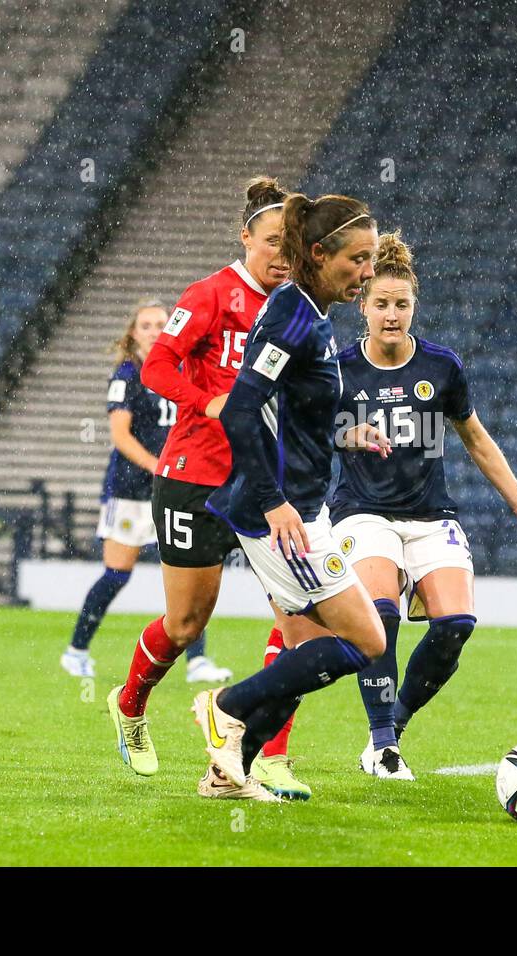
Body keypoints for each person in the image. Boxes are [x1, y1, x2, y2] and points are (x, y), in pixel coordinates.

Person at [330, 232, 517, 779]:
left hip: (430, 515)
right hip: (362, 512)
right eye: (382, 304)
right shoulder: (339, 370)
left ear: (415, 306)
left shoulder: (442, 367)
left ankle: (396, 723)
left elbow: (476, 439)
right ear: (362, 305)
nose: (392, 315)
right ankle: (384, 745)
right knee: (382, 614)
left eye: (402, 305)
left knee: (456, 624)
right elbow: (309, 435)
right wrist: (345, 436)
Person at [105, 177, 308, 802]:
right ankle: (131, 702)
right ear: (245, 238)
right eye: (272, 243)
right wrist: (209, 401)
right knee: (188, 624)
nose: (282, 257)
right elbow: (158, 364)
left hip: (265, 485)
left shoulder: (296, 307)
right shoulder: (212, 294)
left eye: (292, 247)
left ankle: (264, 759)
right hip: (194, 478)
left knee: (299, 622)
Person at [192, 192, 393, 792]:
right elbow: (241, 413)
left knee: (306, 654)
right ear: (317, 252)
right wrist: (275, 500)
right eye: (356, 260)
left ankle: (230, 773)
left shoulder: (311, 313)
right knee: (366, 639)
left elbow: (291, 413)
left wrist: (343, 433)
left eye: (371, 259)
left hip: (297, 506)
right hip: (285, 516)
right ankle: (223, 706)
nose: (365, 274)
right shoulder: (293, 317)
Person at [60, 299, 228, 682]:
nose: (155, 331)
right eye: (147, 325)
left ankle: (197, 661)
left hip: (175, 490)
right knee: (117, 574)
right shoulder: (128, 373)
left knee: (192, 569)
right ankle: (77, 649)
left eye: (161, 324)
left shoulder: (181, 369)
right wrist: (158, 467)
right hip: (131, 491)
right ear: (133, 333)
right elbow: (119, 435)